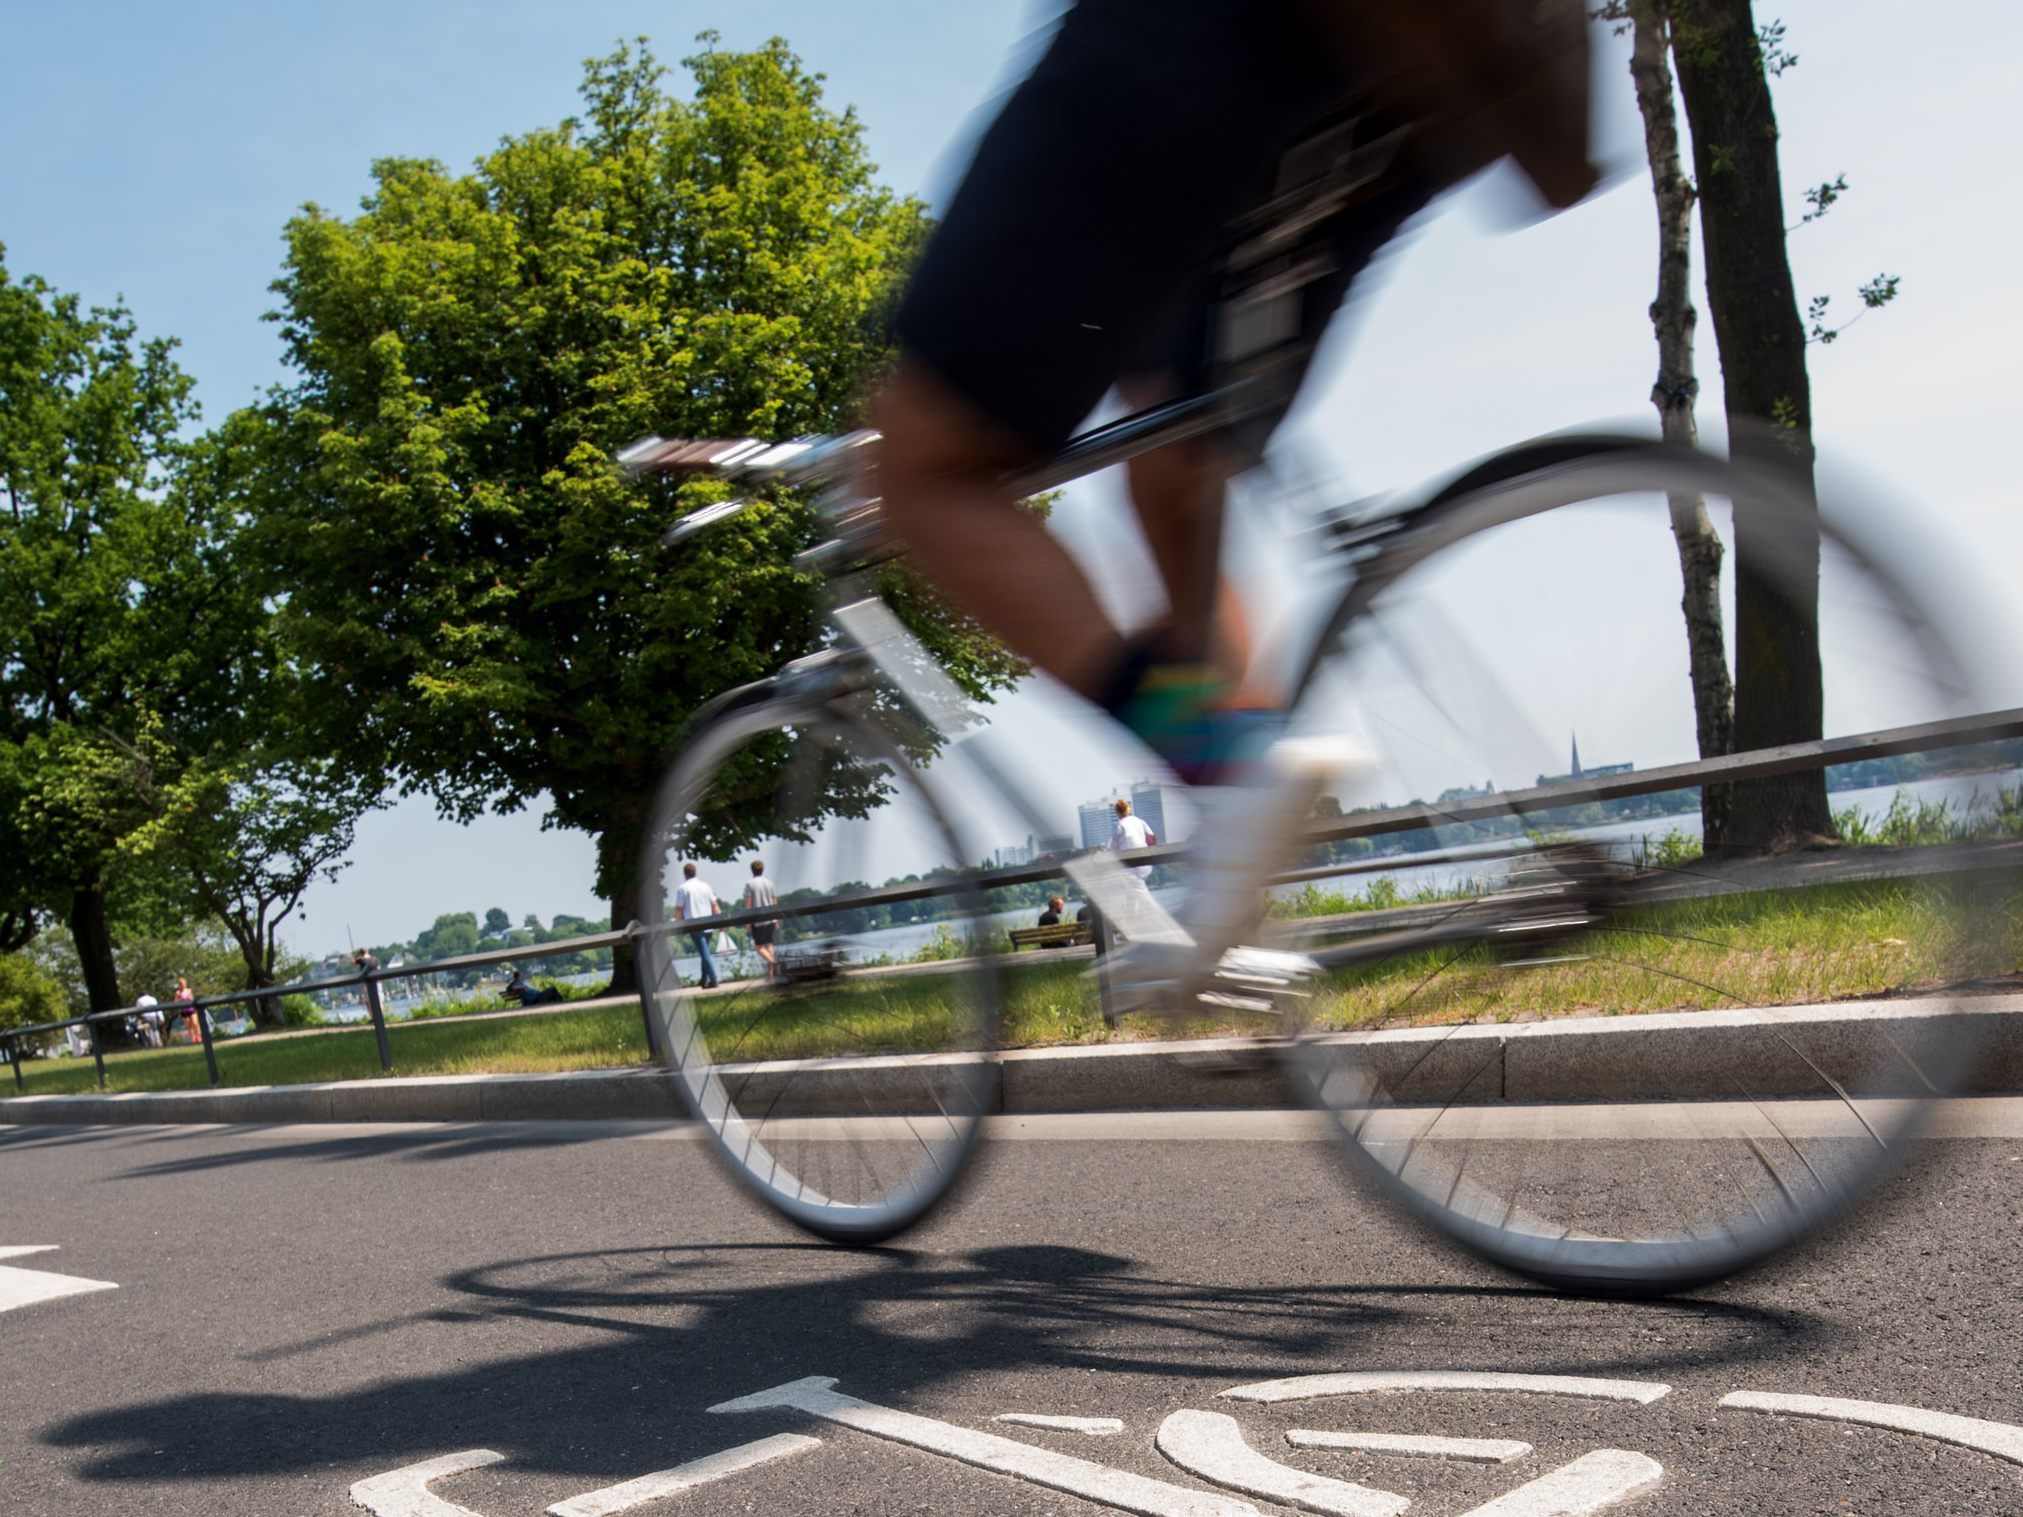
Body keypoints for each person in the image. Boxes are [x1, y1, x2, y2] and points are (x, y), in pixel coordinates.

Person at [872, 0, 1595, 785]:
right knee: (1174, 462)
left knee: (920, 471)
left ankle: (1220, 762)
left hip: (1209, 33)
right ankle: (1248, 807)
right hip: (1417, 82)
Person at [676, 861, 723, 989]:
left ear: (685, 874)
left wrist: (677, 924)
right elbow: (714, 905)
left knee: (704, 953)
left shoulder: (683, 888)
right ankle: (703, 980)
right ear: (695, 872)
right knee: (705, 951)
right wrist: (721, 921)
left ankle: (713, 979)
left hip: (694, 924)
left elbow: (679, 909)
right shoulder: (706, 886)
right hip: (708, 923)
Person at [743, 859, 781, 983]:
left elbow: (748, 904)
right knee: (769, 945)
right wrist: (776, 919)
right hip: (770, 917)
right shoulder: (770, 883)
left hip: (757, 919)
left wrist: (748, 922)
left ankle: (773, 963)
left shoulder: (750, 884)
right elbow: (774, 901)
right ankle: (770, 975)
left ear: (752, 870)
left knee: (759, 948)